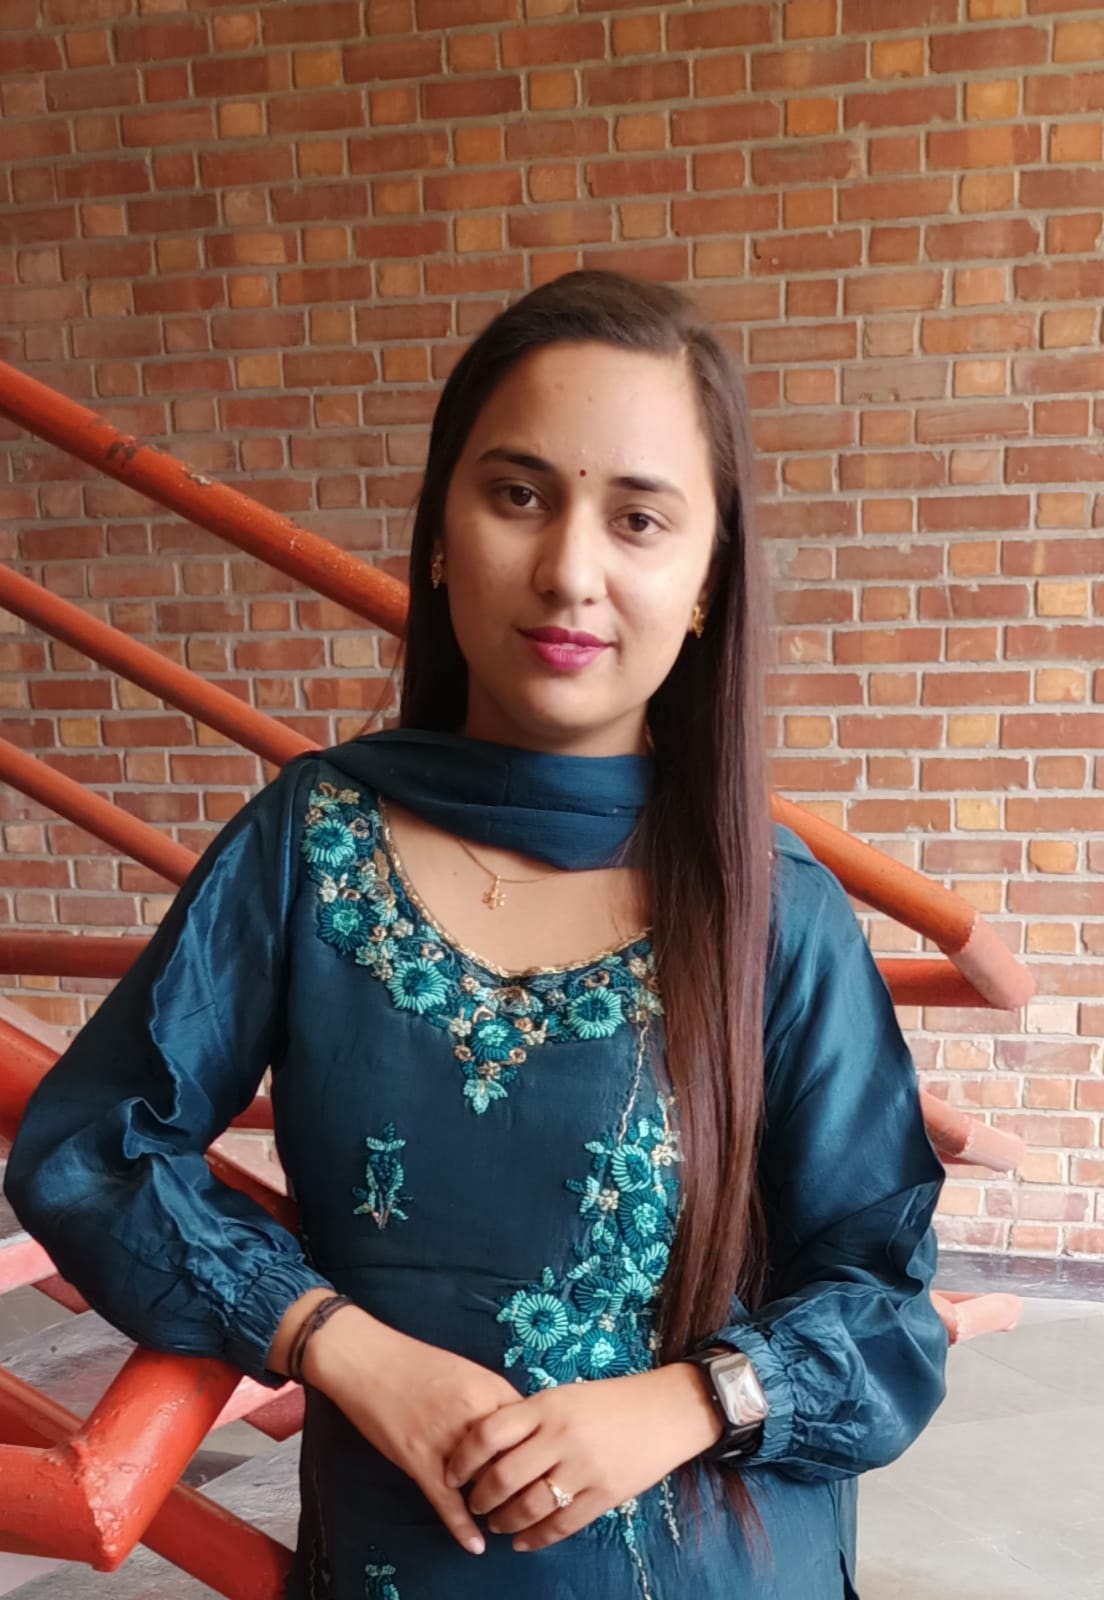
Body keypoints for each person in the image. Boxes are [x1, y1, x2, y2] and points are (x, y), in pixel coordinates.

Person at [4, 269, 948, 1600]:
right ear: (442, 533)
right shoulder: (311, 846)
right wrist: (330, 1339)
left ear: (704, 581)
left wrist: (689, 1401)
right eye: (518, 495)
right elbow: (94, 1147)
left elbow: (886, 1304)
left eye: (638, 519)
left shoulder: (771, 908)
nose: (570, 572)